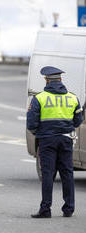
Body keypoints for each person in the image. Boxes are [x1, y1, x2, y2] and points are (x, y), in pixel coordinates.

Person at [27, 66, 83, 218]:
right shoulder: (72, 97)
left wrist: (38, 133)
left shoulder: (40, 98)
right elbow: (78, 120)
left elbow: (31, 123)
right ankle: (69, 208)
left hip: (47, 140)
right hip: (66, 139)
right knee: (67, 173)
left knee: (48, 174)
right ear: (60, 80)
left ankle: (45, 209)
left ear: (46, 80)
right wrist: (66, 128)